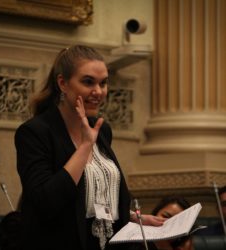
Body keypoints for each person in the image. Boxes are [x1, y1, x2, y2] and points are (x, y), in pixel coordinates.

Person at [14, 45, 164, 250]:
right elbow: (46, 202)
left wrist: (131, 218)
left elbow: (92, 196)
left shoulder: (102, 131)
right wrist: (85, 146)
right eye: (88, 82)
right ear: (62, 83)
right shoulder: (34, 132)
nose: (98, 92)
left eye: (103, 83)